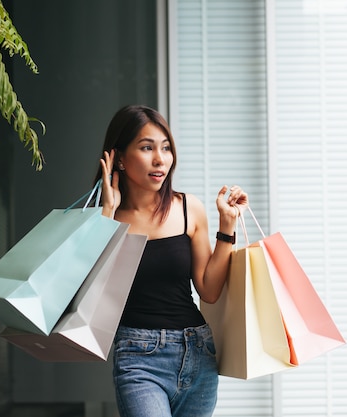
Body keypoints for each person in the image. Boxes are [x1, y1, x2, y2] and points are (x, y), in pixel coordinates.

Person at [96, 104, 248, 417]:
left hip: (198, 351)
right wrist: (105, 215)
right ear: (120, 158)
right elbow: (91, 293)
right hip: (139, 358)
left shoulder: (186, 208)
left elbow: (208, 289)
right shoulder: (103, 220)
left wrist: (227, 225)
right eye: (147, 147)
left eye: (166, 148)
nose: (160, 159)